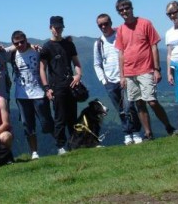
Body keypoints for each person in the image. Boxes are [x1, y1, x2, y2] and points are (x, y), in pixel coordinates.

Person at [115, 0, 178, 140]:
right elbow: (121, 53)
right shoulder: (121, 30)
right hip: (129, 72)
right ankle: (148, 133)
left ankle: (169, 127)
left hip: (146, 69)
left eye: (126, 8)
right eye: (121, 10)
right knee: (139, 103)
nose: (124, 11)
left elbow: (154, 46)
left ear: (132, 8)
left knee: (152, 101)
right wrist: (122, 76)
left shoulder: (145, 23)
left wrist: (156, 69)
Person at [93, 14, 142, 145]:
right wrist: (104, 80)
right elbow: (97, 64)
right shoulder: (98, 43)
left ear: (111, 22)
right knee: (120, 110)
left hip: (126, 78)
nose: (103, 27)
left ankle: (136, 132)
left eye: (106, 23)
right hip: (110, 82)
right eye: (100, 25)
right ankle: (127, 134)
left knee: (129, 107)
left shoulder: (120, 35)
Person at [39, 16, 83, 155]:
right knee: (60, 117)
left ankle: (75, 143)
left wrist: (78, 75)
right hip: (56, 86)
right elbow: (42, 69)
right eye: (55, 27)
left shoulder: (69, 44)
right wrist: (47, 88)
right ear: (50, 28)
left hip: (71, 84)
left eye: (59, 27)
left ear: (63, 28)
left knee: (72, 116)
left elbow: (76, 63)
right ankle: (61, 146)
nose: (57, 30)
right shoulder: (47, 47)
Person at [9, 30, 54, 160]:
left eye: (22, 42)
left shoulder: (36, 51)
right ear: (13, 44)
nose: (20, 45)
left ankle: (60, 145)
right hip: (22, 96)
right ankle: (34, 152)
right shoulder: (12, 54)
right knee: (28, 125)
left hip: (39, 93)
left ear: (26, 40)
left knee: (46, 122)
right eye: (16, 43)